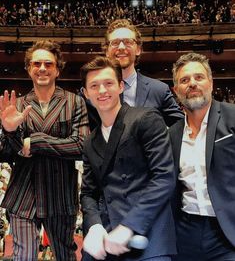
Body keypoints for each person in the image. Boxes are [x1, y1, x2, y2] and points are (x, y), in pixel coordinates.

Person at [80, 55, 176, 261]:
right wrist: (94, 225)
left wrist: (129, 226)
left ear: (121, 86)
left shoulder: (145, 119)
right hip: (106, 236)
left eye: (108, 83)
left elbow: (164, 177)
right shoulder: (90, 141)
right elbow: (88, 193)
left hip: (147, 235)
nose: (102, 91)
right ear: (86, 94)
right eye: (94, 86)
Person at [0, 39, 90, 261]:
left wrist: (35, 142)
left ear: (57, 69)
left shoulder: (74, 102)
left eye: (48, 64)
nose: (42, 68)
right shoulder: (17, 105)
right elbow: (6, 152)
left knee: (65, 256)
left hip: (60, 195)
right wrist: (9, 131)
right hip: (23, 194)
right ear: (29, 68)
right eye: (36, 63)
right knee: (25, 257)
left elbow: (80, 145)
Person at [169, 52, 235, 261]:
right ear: (175, 90)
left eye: (199, 77)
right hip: (185, 231)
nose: (192, 84)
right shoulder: (172, 133)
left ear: (211, 82)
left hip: (228, 232)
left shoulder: (233, 117)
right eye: (184, 80)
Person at [82, 19, 184, 130]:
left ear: (138, 50)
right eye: (115, 43)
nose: (121, 47)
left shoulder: (159, 90)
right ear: (107, 51)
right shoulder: (91, 93)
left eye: (128, 42)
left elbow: (181, 127)